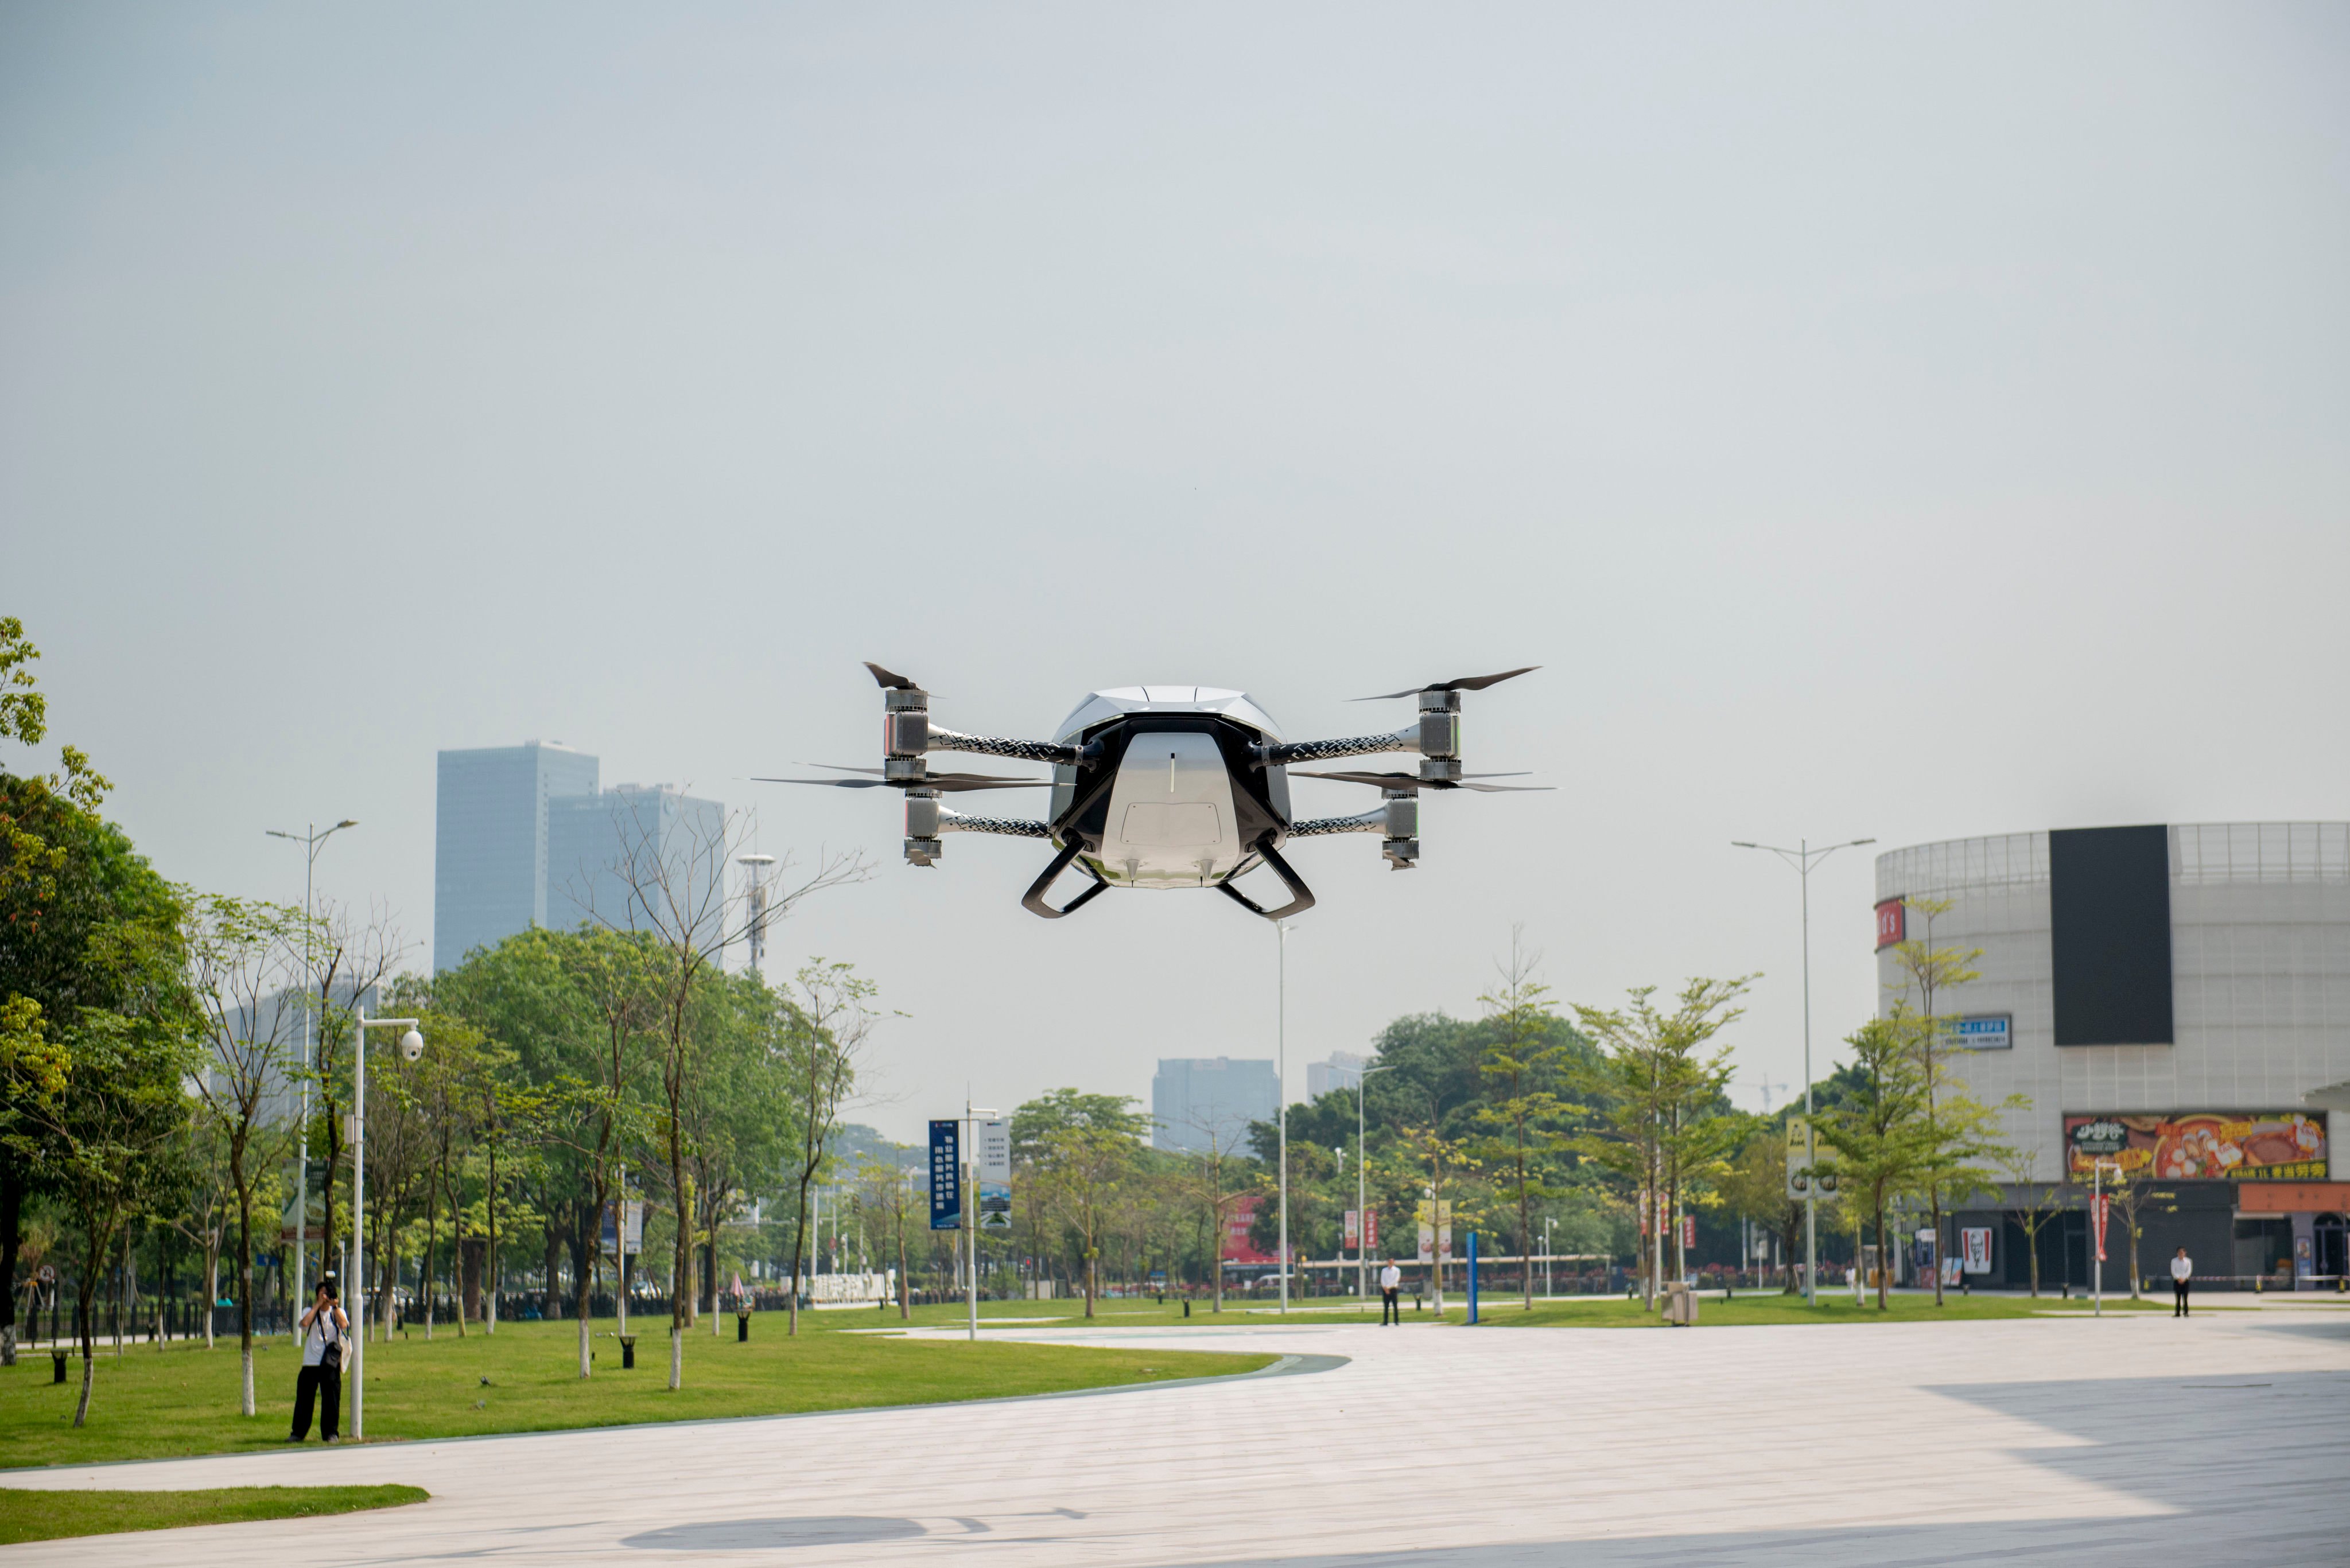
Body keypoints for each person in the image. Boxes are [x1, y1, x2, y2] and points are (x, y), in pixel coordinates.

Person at [291, 1277, 349, 1443]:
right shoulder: (309, 1310)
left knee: (331, 1400)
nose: (325, 1297)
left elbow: (344, 1325)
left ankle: (331, 1433)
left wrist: (335, 1306)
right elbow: (304, 1323)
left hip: (330, 1363)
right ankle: (298, 1433)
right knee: (304, 1400)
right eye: (322, 1294)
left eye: (328, 1294)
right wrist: (317, 1305)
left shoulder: (337, 1312)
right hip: (311, 1363)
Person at [2171, 1247, 2194, 1318]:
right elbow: (2173, 1271)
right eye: (2179, 1253)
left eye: (2182, 1253)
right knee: (2178, 1298)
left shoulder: (2188, 1261)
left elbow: (2189, 1271)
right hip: (2177, 1281)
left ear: (2185, 1253)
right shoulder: (2174, 1261)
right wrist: (2179, 1278)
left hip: (2185, 1281)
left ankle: (2186, 1312)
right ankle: (2177, 1313)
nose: (2181, 1254)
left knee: (2185, 1298)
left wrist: (2183, 1278)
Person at [1378, 1259, 1402, 1326]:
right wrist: (1385, 1288)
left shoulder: (1397, 1270)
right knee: (1386, 1306)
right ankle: (1385, 1321)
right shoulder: (1384, 1270)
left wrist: (1388, 1287)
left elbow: (1396, 1280)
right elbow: (1382, 1280)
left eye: (1391, 1262)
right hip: (1385, 1290)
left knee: (1395, 1306)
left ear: (1394, 1262)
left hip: (1393, 1289)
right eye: (1389, 1262)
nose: (1390, 1263)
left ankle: (1396, 1321)